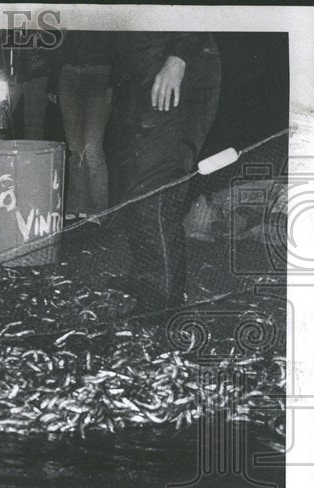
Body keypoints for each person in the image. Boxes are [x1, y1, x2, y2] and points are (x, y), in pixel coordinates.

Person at [106, 32, 221, 311]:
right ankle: (146, 278)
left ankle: (160, 302)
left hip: (176, 69)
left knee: (154, 190)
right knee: (136, 184)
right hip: (145, 73)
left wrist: (178, 58)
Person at [47, 32, 114, 221]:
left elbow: (121, 40)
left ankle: (99, 210)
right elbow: (58, 39)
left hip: (101, 74)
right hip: (68, 74)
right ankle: (77, 206)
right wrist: (52, 83)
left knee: (91, 147)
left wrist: (114, 82)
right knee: (75, 147)